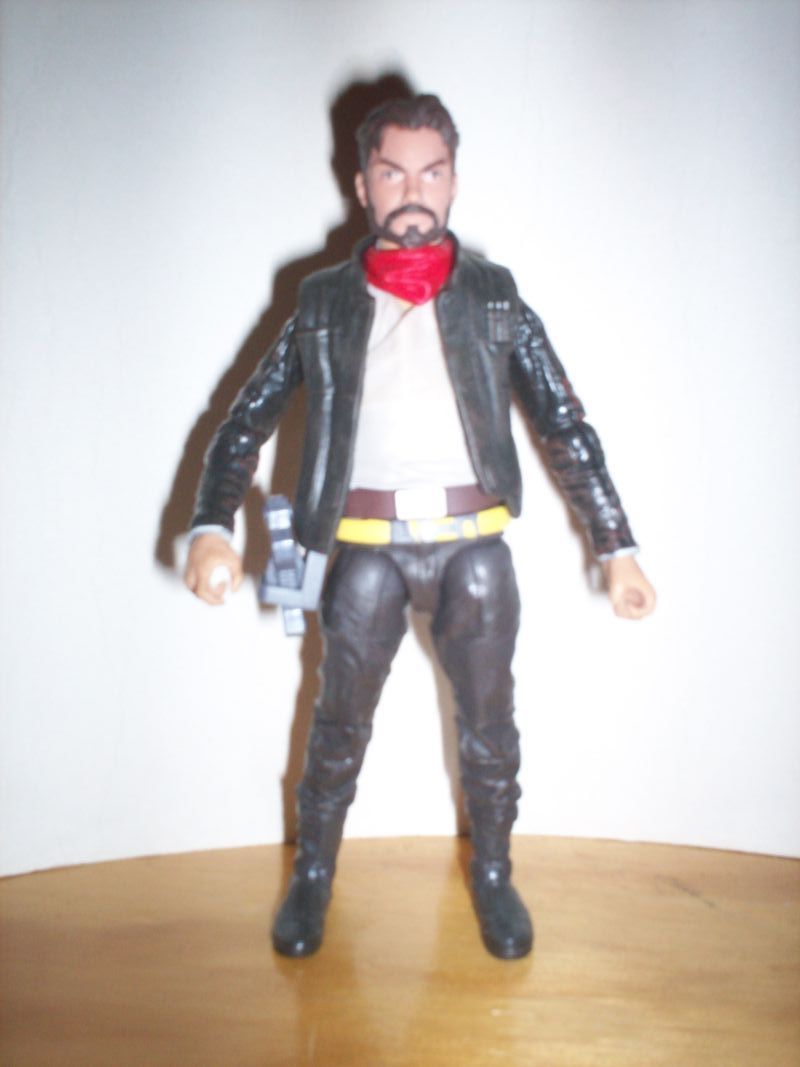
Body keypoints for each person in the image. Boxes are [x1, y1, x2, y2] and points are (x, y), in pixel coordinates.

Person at [184, 95, 656, 961]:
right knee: (338, 724)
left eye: (431, 172)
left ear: (454, 182)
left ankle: (494, 872)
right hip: (365, 550)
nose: (413, 191)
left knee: (491, 723)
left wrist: (616, 543)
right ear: (362, 185)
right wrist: (212, 523)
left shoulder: (494, 298)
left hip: (473, 546)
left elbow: (563, 422)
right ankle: (313, 874)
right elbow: (246, 420)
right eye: (393, 173)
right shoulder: (323, 302)